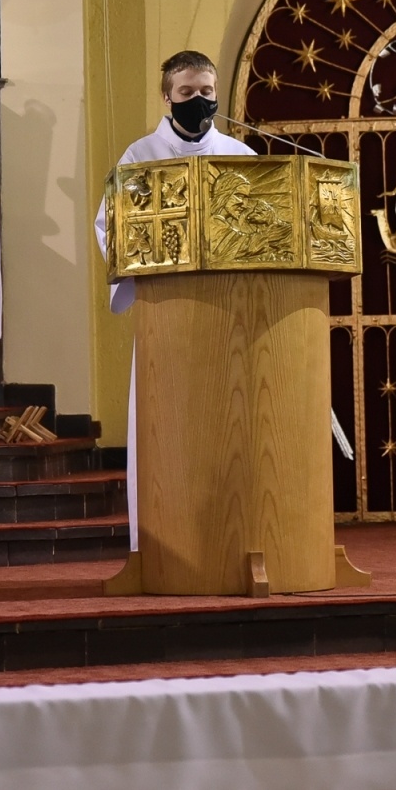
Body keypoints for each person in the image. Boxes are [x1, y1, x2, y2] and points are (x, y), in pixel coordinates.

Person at [94, 50, 255, 550]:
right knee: (167, 428)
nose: (199, 100)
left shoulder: (242, 157)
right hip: (168, 310)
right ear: (167, 97)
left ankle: (238, 534)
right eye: (187, 93)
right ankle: (161, 542)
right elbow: (110, 226)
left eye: (206, 92)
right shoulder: (139, 157)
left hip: (230, 313)